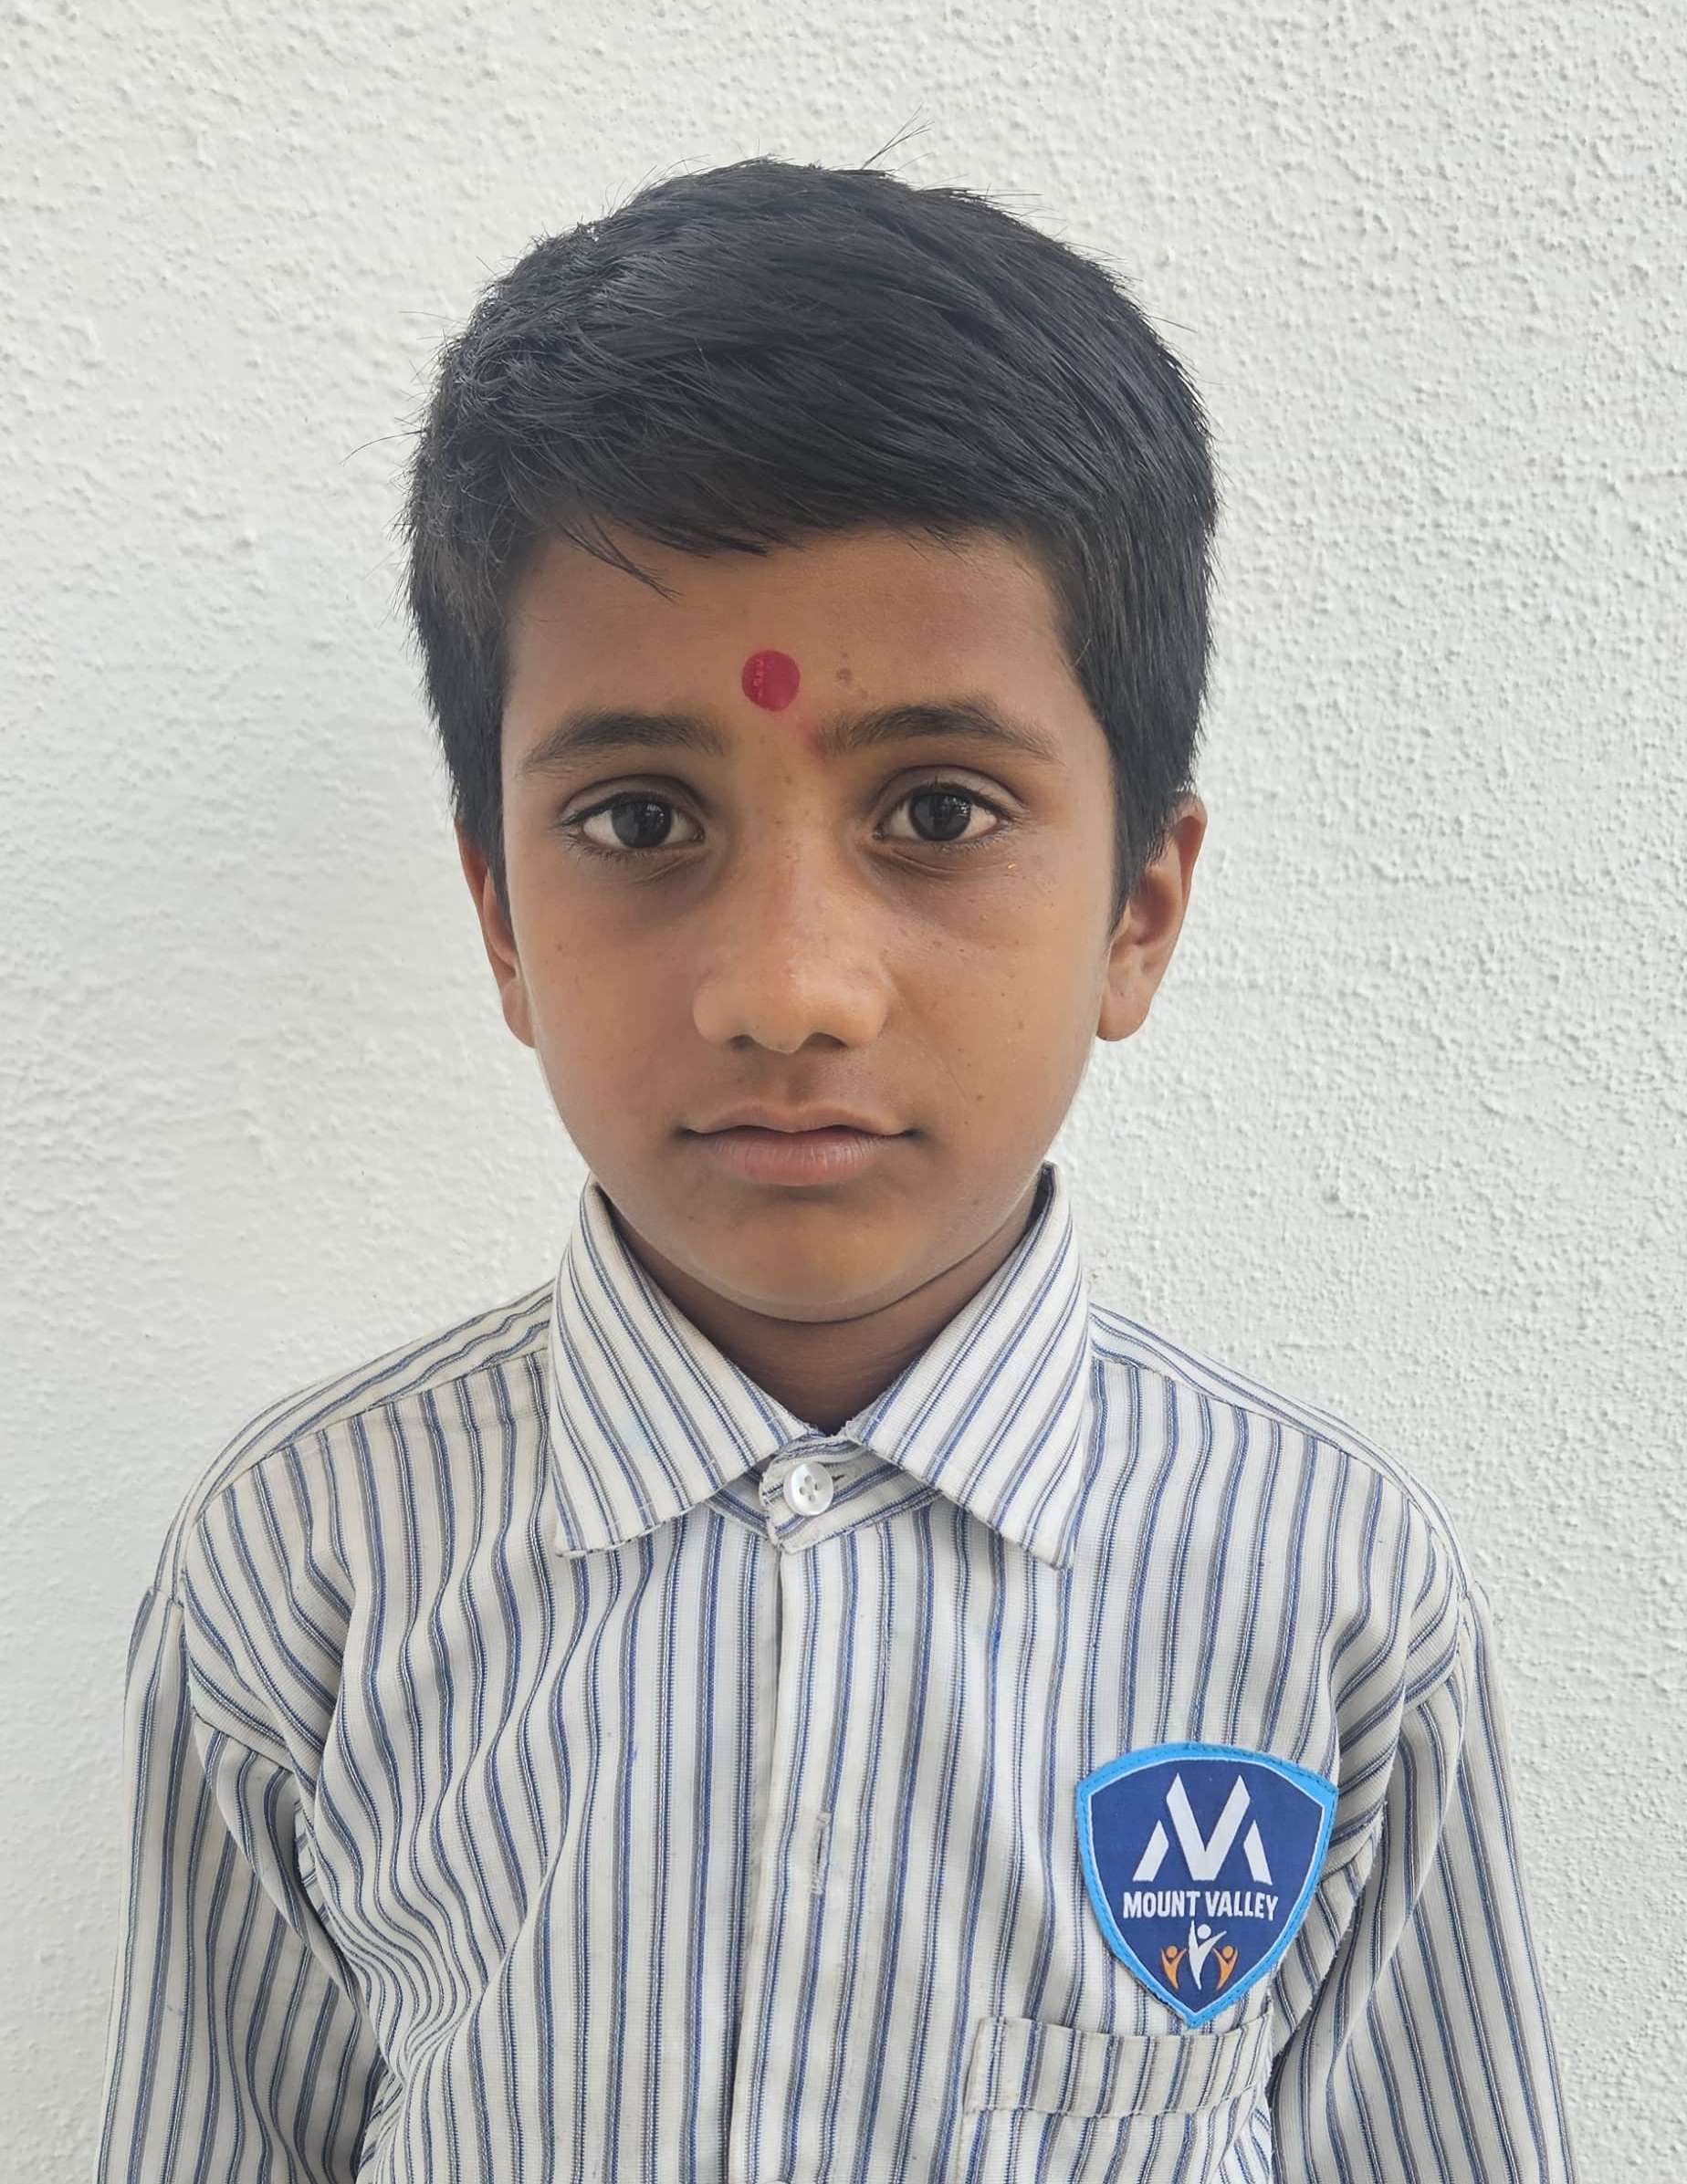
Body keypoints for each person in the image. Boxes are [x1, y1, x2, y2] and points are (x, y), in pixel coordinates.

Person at [91, 155, 1577, 2181]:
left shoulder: (1330, 1591)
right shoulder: (308, 1567)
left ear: (1140, 911)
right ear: (501, 915)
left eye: (939, 811)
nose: (788, 988)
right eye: (639, 821)